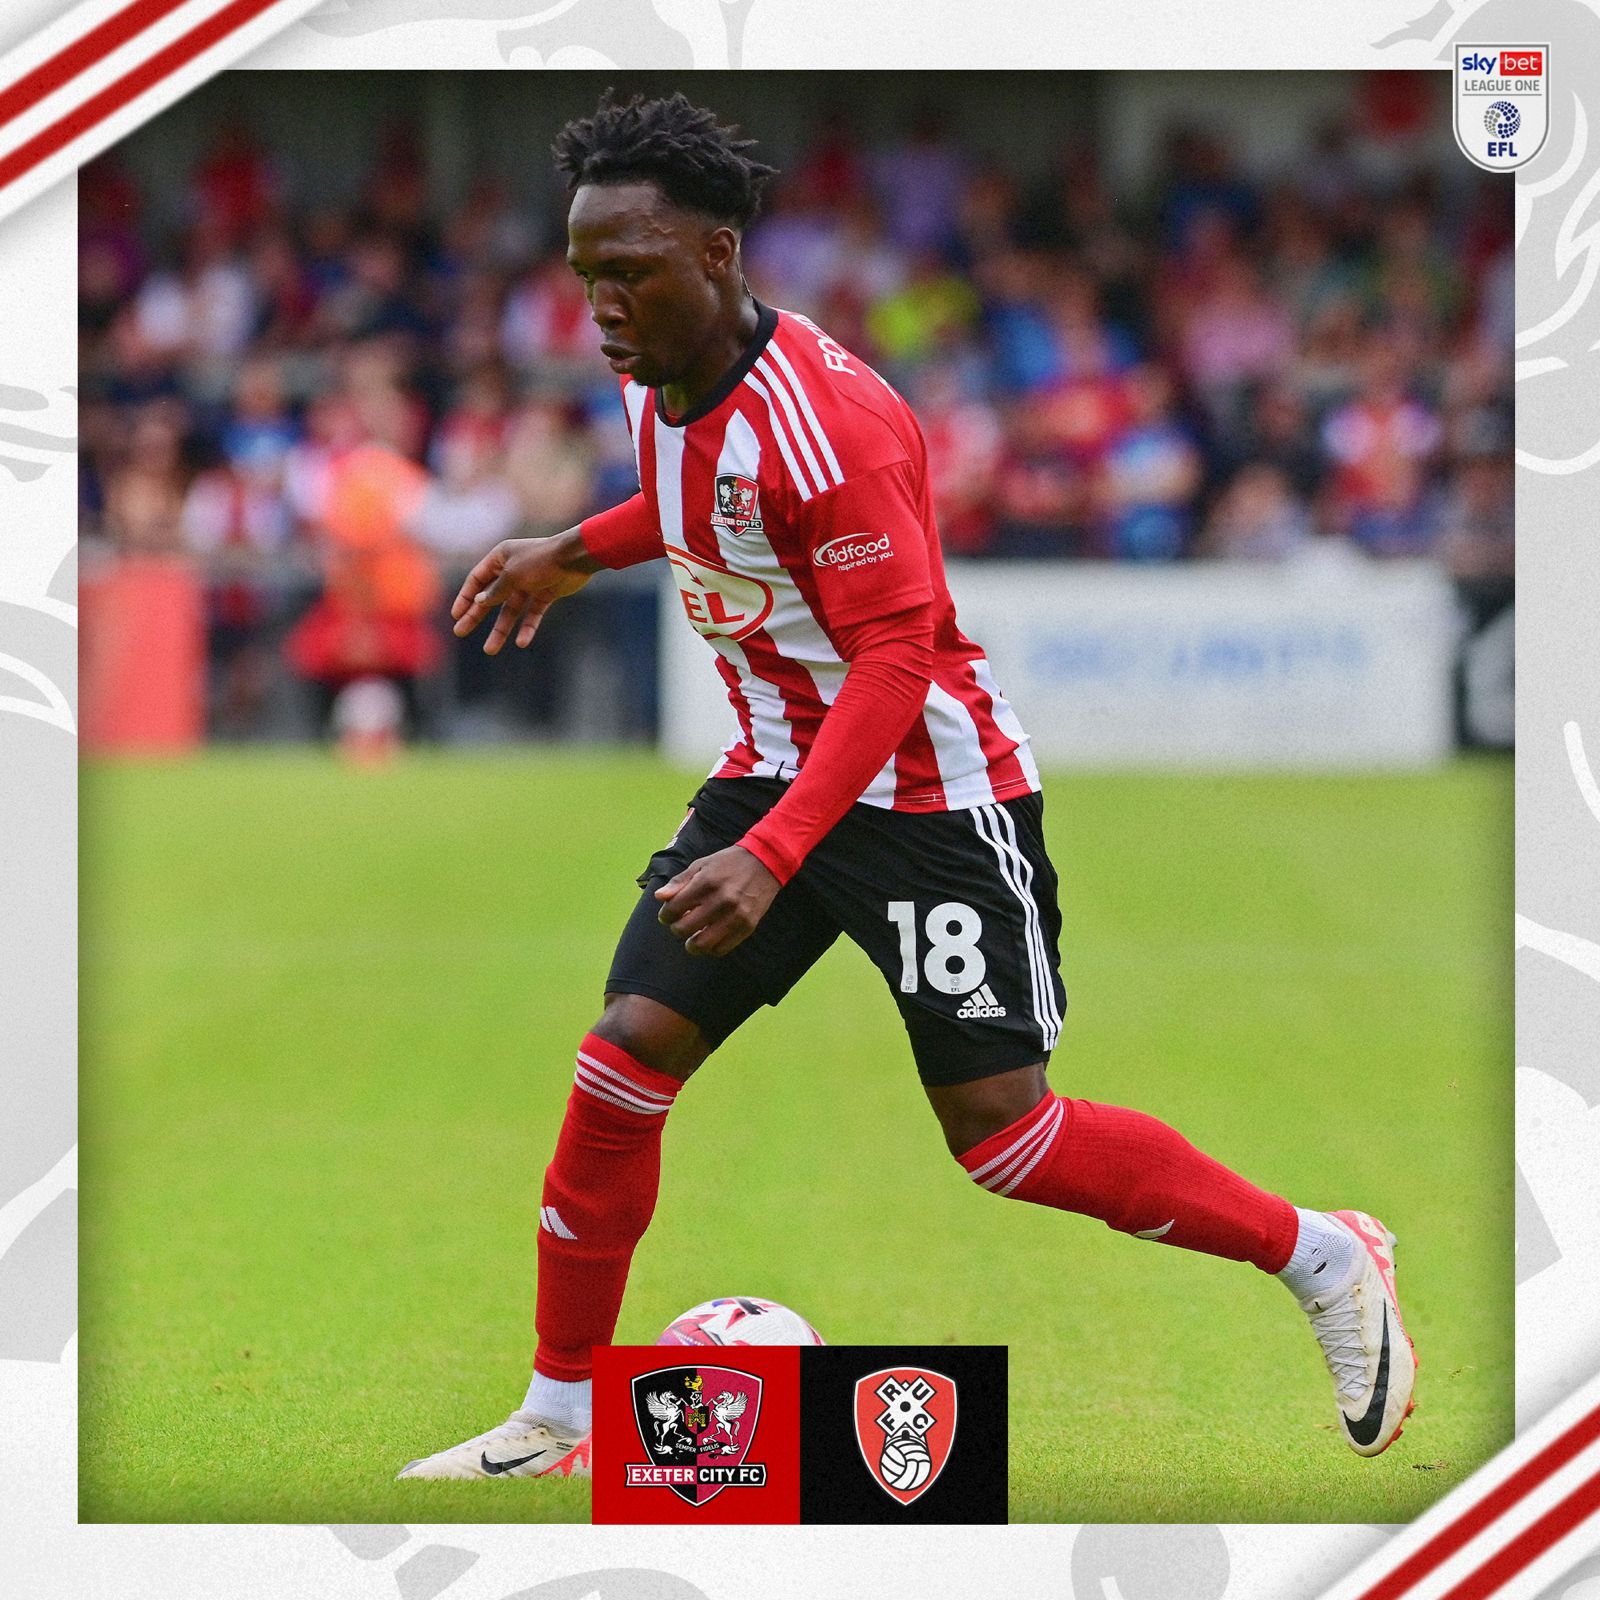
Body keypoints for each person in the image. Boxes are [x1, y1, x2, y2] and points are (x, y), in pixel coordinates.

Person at [398, 93, 1416, 1482]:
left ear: (717, 253)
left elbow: (893, 656)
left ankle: (1320, 1253)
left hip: (929, 794)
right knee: (622, 1060)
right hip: (776, 768)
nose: (601, 305)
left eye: (627, 271)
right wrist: (577, 547)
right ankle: (562, 1417)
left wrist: (775, 856)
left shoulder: (840, 423)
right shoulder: (660, 379)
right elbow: (706, 509)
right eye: (585, 274)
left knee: (1004, 1139)